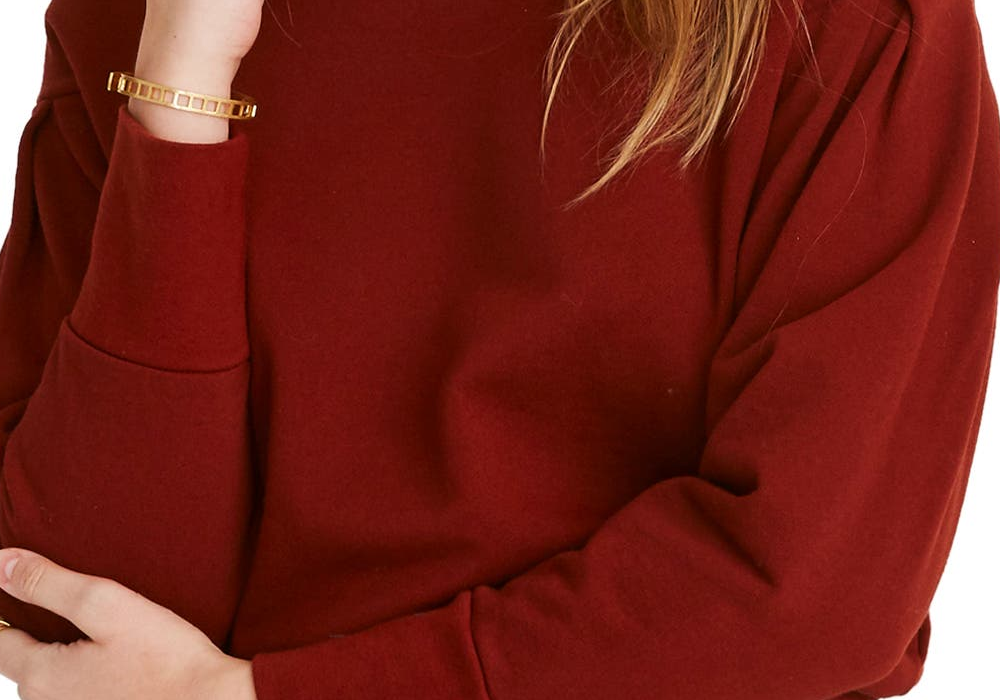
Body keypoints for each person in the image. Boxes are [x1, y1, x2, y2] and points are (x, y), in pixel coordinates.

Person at [0, 0, 997, 697]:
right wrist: (178, 100)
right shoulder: (141, 24)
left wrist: (268, 695)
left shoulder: (841, 27)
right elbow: (65, 616)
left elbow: (809, 590)